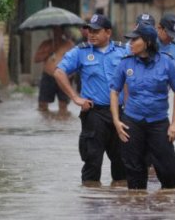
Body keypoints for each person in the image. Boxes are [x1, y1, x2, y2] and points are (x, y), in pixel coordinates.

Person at [53, 14, 128, 185]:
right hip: (94, 114)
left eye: (96, 31)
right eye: (89, 31)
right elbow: (59, 72)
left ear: (108, 32)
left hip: (121, 114)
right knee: (92, 162)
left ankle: (121, 204)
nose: (91, 34)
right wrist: (75, 97)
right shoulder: (80, 52)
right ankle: (91, 203)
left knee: (122, 164)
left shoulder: (123, 51)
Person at [110, 22, 175, 190]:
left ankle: (168, 209)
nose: (130, 43)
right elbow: (114, 91)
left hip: (158, 122)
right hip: (132, 122)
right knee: (134, 171)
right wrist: (116, 120)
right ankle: (138, 210)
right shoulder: (126, 63)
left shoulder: (167, 62)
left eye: (135, 40)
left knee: (169, 170)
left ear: (148, 42)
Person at [34, 26, 74, 114]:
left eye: (58, 30)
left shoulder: (69, 44)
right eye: (54, 30)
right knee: (42, 105)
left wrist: (71, 74)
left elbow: (76, 61)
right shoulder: (46, 44)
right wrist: (48, 51)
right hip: (48, 76)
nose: (56, 33)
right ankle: (46, 125)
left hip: (64, 77)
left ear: (63, 32)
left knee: (63, 105)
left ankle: (62, 125)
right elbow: (36, 59)